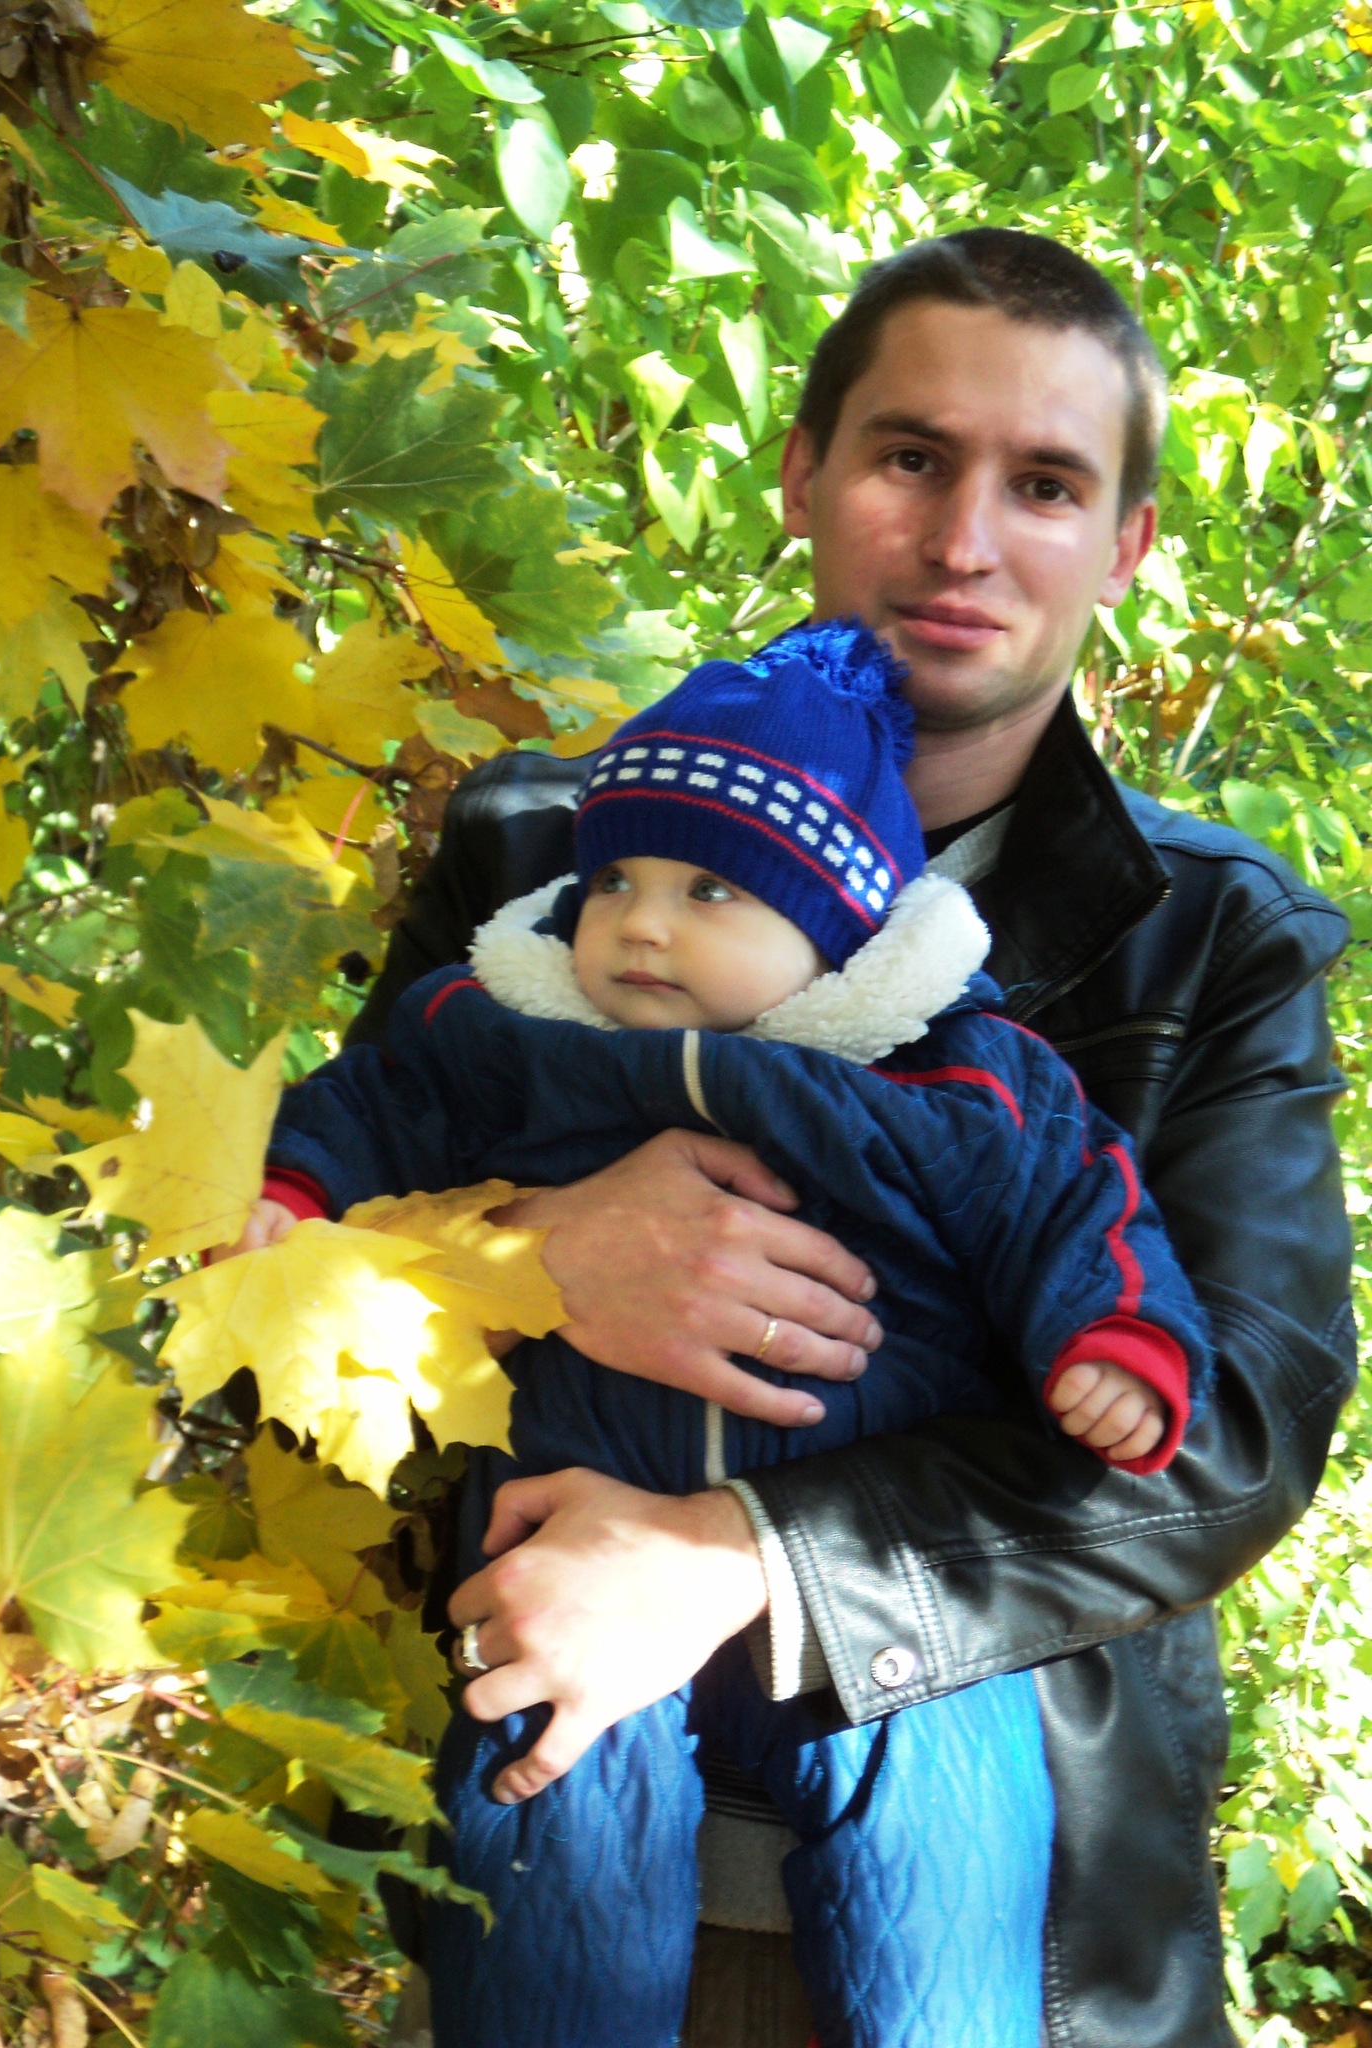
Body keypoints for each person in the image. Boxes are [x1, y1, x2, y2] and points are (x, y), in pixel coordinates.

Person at [236, 228, 1357, 2046]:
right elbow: (282, 1288)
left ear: (1127, 543)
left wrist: (740, 1552)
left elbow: (1227, 1438)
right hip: (542, 1862)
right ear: (804, 476)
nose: (965, 540)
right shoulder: (541, 866)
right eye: (912, 456)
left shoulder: (1211, 938)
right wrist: (518, 1258)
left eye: (1046, 484)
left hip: (1004, 1936)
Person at [248, 616, 1213, 2046]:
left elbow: (1076, 1203)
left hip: (875, 1613)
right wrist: (294, 1192)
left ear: (837, 929)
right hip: (563, 1573)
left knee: (944, 1863)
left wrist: (1117, 1339)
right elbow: (371, 1107)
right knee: (541, 1834)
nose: (643, 924)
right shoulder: (508, 1035)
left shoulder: (946, 1079)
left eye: (710, 889)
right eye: (616, 881)